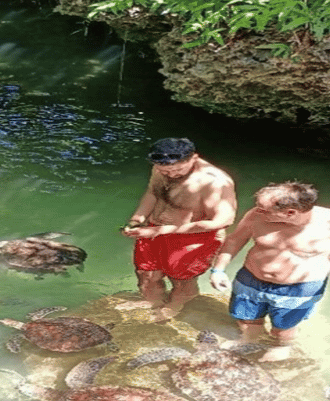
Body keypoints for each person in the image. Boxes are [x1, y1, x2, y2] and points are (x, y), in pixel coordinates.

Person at [209, 182, 330, 362]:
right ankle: (249, 339)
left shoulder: (326, 224)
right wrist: (218, 270)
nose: (257, 211)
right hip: (251, 279)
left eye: (264, 209)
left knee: (284, 327)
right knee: (246, 318)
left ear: (290, 213)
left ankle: (281, 347)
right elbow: (235, 240)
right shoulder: (256, 216)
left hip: (299, 288)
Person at [121, 138, 237, 321]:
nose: (172, 174)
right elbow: (153, 193)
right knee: (146, 274)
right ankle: (152, 302)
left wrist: (164, 230)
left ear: (194, 158)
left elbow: (223, 220)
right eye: (164, 170)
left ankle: (176, 305)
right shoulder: (161, 168)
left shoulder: (213, 181)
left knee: (181, 280)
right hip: (154, 230)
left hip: (193, 238)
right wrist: (137, 219)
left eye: (178, 169)